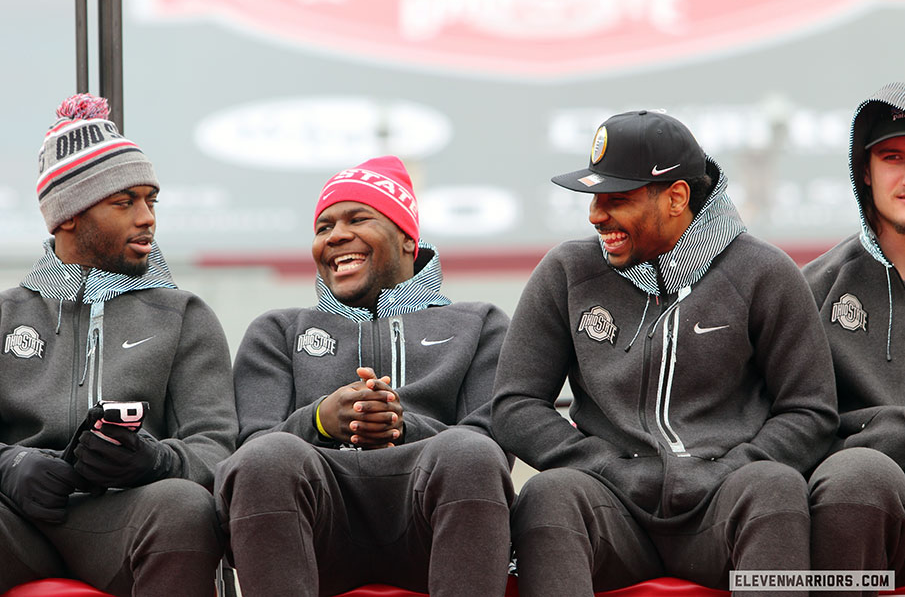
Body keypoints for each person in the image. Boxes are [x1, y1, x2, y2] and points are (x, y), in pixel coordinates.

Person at [491, 110, 839, 595]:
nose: (595, 216)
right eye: (593, 198)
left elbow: (810, 411)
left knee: (773, 487)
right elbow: (514, 405)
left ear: (676, 197)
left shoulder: (764, 272)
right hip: (611, 504)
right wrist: (606, 466)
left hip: (723, 505)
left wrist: (730, 468)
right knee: (550, 493)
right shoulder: (567, 271)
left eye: (617, 200)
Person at [215, 155, 514, 597]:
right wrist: (319, 419)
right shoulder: (278, 330)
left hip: (432, 527)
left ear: (408, 239)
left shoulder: (479, 323)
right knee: (266, 459)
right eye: (323, 228)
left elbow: (495, 445)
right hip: (316, 530)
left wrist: (401, 424)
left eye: (358, 218)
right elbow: (248, 447)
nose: (336, 236)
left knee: (469, 452)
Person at [0, 94, 237, 596]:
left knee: (183, 506)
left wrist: (156, 462)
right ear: (68, 215)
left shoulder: (184, 315)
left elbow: (218, 448)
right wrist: (10, 464)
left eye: (151, 200)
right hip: (16, 520)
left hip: (126, 519)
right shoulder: (6, 314)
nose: (148, 217)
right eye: (125, 202)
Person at [804, 82, 905, 591]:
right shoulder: (810, 291)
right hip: (866, 503)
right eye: (893, 156)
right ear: (865, 172)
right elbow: (777, 425)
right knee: (858, 478)